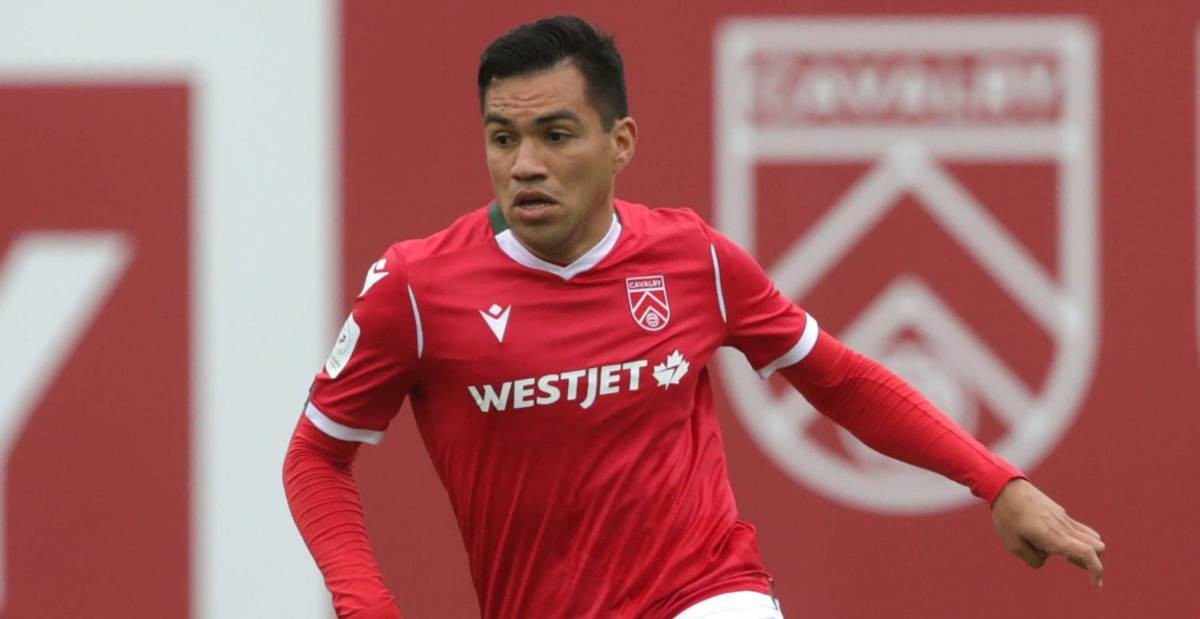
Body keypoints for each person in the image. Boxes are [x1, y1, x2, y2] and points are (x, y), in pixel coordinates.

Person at [283, 15, 1105, 619]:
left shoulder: (693, 259)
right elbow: (316, 455)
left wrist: (996, 480)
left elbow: (838, 379)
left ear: (621, 142)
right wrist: (367, 603)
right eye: (503, 138)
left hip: (708, 593)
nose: (526, 164)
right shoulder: (417, 288)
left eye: (556, 134)